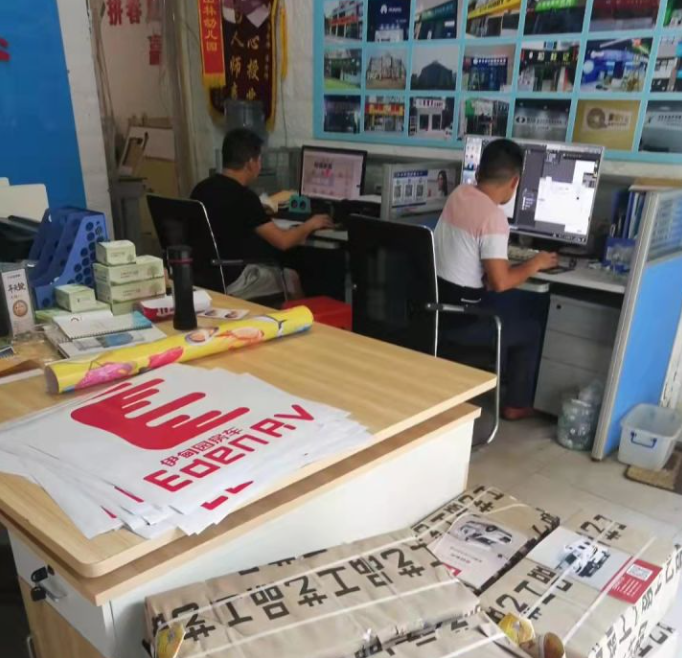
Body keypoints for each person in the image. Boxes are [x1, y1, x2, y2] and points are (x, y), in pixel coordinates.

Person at [434, 138, 558, 420]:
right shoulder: (493, 217)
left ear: (479, 172)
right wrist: (536, 262)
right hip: (462, 321)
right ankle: (516, 404)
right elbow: (500, 282)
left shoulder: (459, 194)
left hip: (437, 311)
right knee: (530, 327)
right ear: (515, 182)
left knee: (508, 303)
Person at [190, 128, 333, 299]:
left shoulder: (201, 188)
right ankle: (299, 316)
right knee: (292, 278)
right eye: (259, 159)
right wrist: (310, 224)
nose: (260, 164)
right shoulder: (244, 197)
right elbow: (283, 242)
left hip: (202, 277)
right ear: (251, 163)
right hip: (234, 280)